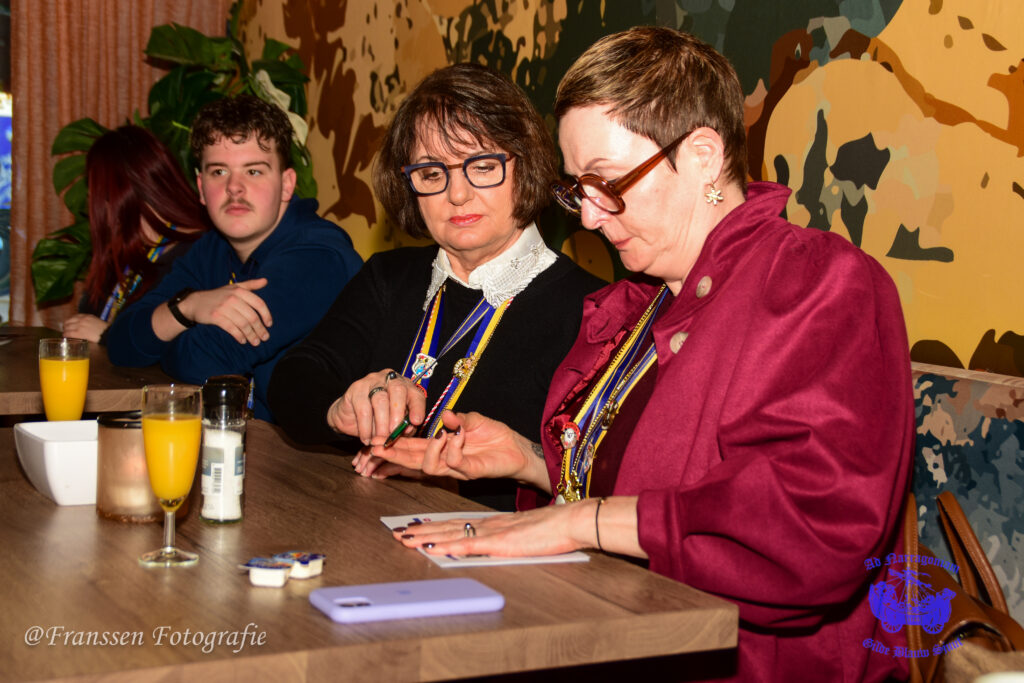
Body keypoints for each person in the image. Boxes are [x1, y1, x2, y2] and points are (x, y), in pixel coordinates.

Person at [366, 28, 914, 682]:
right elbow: (656, 492)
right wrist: (535, 464)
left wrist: (580, 521)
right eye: (579, 189)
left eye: (607, 182)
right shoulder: (646, 301)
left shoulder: (817, 283)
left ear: (703, 155)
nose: (589, 217)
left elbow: (808, 527)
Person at [268, 63, 605, 511]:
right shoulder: (387, 277)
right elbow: (293, 378)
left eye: (482, 166)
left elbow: (608, 482)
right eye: (431, 173)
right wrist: (339, 409)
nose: (457, 194)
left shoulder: (595, 310)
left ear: (525, 166)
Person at [106, 95, 363, 421]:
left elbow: (206, 359)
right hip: (245, 440)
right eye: (219, 171)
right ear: (201, 188)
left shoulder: (318, 256)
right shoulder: (211, 249)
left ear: (286, 185)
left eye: (253, 171)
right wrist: (188, 307)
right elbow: (121, 341)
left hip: (318, 453)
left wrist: (167, 335)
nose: (234, 188)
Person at [62, 126, 211, 344]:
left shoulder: (200, 256)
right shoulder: (124, 250)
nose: (92, 200)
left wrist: (108, 337)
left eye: (98, 191)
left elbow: (188, 351)